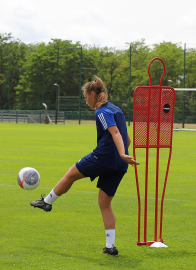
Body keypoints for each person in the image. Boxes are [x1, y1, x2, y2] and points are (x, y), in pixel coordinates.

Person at [30, 76, 139, 255]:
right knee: (105, 204)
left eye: (86, 96)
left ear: (93, 94)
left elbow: (116, 132)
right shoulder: (117, 109)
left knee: (70, 174)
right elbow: (126, 137)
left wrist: (120, 153)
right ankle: (110, 246)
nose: (85, 100)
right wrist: (123, 155)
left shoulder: (101, 112)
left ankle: (47, 202)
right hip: (119, 164)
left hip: (103, 157)